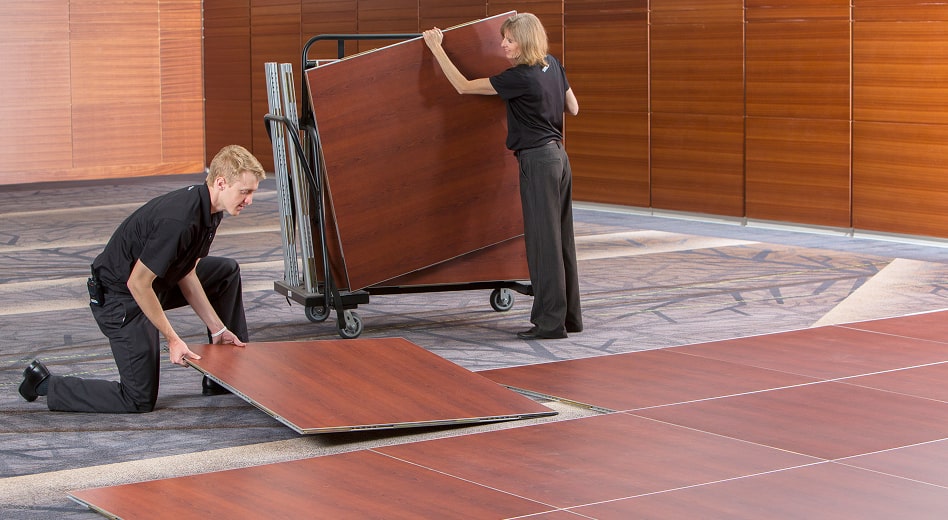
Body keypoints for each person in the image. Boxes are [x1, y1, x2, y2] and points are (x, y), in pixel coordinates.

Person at [18, 145, 267, 412]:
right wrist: (174, 339)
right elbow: (137, 283)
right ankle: (45, 384)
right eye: (245, 192)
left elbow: (186, 272)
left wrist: (218, 328)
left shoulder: (212, 211)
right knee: (138, 398)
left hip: (150, 283)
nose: (249, 200)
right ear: (221, 183)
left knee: (224, 272)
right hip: (119, 299)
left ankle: (222, 375)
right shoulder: (180, 220)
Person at [423, 13, 583, 340]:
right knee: (562, 239)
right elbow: (574, 107)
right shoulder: (552, 64)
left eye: (509, 39)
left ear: (524, 40)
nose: (503, 45)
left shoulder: (519, 77)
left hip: (538, 161)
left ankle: (549, 325)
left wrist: (436, 49)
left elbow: (463, 87)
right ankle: (569, 318)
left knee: (543, 243)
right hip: (560, 159)